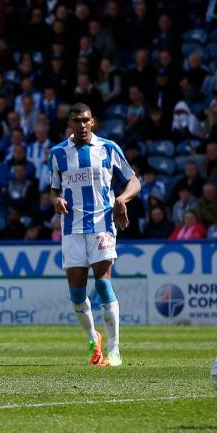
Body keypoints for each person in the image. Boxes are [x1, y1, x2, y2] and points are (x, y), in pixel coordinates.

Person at [50, 103, 140, 368]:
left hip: (102, 224)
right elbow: (54, 189)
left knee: (102, 284)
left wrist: (122, 199)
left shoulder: (108, 149)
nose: (81, 125)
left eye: (86, 120)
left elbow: (133, 180)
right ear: (70, 124)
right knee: (77, 294)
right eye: (76, 121)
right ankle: (94, 338)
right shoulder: (57, 154)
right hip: (72, 229)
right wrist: (56, 200)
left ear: (93, 122)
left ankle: (115, 351)